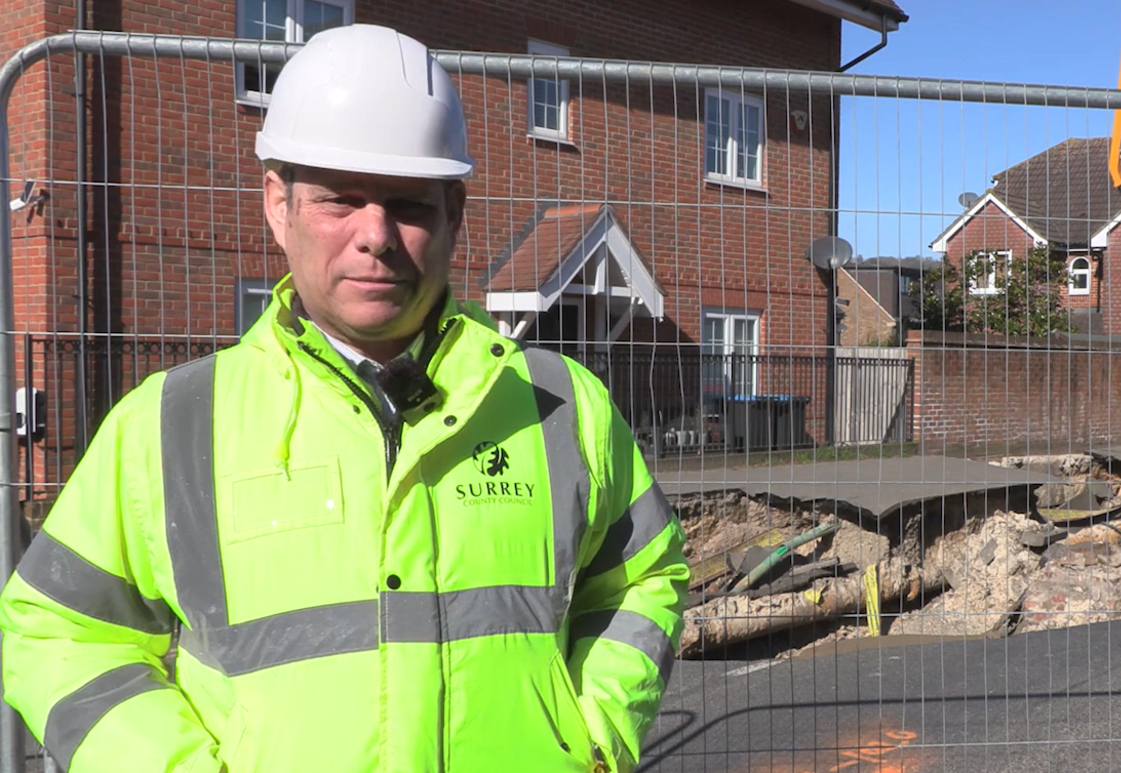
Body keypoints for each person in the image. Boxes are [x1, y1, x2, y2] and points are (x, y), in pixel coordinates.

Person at [0, 24, 688, 773]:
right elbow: (56, 628)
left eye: (408, 204)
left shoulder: (561, 405)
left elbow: (645, 579)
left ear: (454, 211)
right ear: (278, 202)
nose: (376, 234)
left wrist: (594, 738)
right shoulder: (169, 426)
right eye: (341, 199)